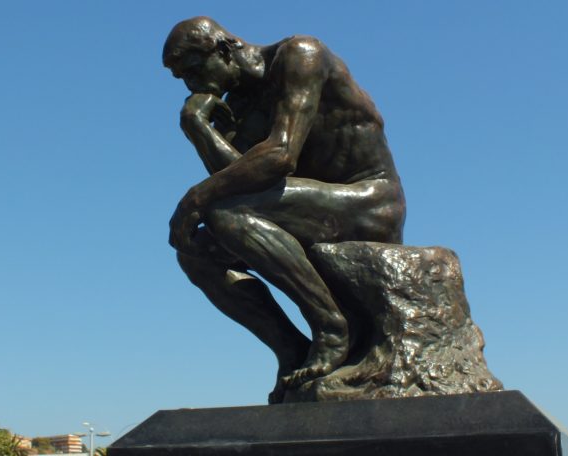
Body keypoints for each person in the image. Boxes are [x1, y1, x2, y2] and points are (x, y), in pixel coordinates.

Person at [163, 17, 406, 403]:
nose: (191, 85)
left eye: (193, 70)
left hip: (368, 200)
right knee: (196, 253)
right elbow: (242, 178)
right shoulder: (239, 104)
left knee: (224, 212)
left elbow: (280, 155)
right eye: (182, 78)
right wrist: (198, 127)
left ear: (223, 50)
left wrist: (195, 198)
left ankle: (331, 326)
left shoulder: (299, 56)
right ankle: (291, 349)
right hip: (308, 207)